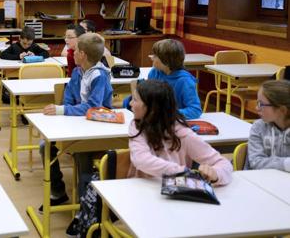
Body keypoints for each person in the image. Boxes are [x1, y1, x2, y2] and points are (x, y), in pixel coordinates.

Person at [66, 80, 232, 237]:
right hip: (139, 196)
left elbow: (222, 163)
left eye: (135, 100)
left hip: (174, 198)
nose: (130, 104)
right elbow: (141, 159)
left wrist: (215, 174)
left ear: (151, 109)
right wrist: (181, 172)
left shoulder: (183, 134)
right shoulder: (136, 126)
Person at [39, 33, 113, 211]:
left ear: (84, 55)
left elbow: (94, 107)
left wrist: (63, 110)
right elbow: (68, 100)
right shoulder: (78, 72)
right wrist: (65, 111)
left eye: (77, 50)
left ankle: (85, 207)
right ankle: (58, 192)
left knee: (82, 153)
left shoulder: (100, 76)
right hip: (77, 124)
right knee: (44, 146)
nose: (73, 52)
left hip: (98, 128)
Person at [123, 39, 202, 120]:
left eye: (155, 56)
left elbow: (195, 110)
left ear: (166, 61)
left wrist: (165, 114)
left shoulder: (185, 81)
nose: (152, 58)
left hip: (173, 124)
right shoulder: (155, 72)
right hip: (155, 122)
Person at [247, 80, 290, 171]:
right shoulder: (258, 128)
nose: (257, 108)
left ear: (282, 109)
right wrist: (285, 164)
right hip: (260, 181)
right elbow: (256, 162)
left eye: (261, 104)